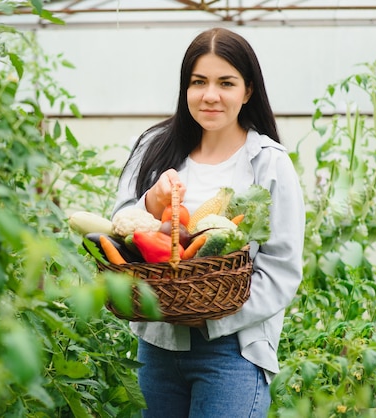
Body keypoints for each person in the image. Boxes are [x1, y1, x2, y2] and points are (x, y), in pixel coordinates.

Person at [112, 27, 305, 417]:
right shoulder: (154, 147)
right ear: (185, 88)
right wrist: (152, 202)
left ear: (247, 91)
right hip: (158, 347)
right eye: (198, 82)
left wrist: (209, 311)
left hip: (232, 351)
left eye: (225, 82)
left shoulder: (268, 163)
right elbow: (117, 229)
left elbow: (282, 269)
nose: (210, 95)